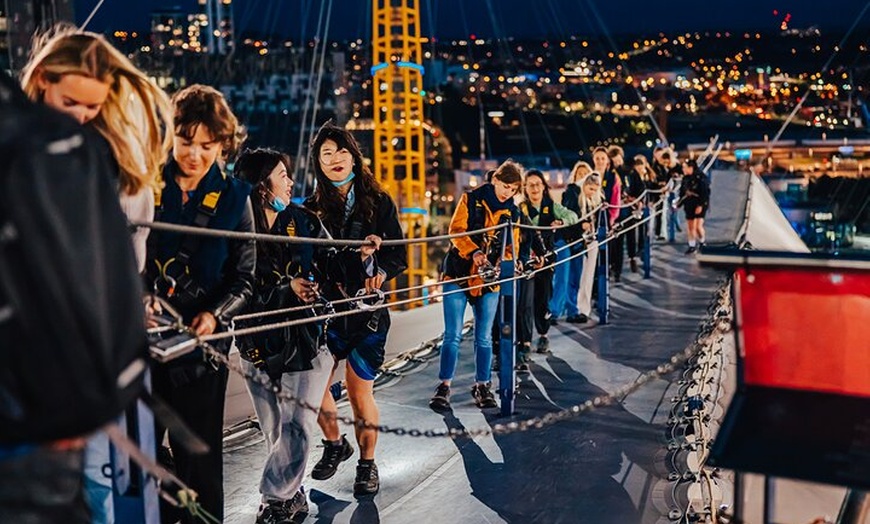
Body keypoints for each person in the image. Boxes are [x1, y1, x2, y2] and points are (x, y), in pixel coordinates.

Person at [20, 27, 173, 523]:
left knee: (90, 480)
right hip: (30, 346)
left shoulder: (105, 158)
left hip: (82, 350)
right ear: (41, 78)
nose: (81, 116)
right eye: (71, 102)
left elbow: (128, 258)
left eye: (92, 107)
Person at [234, 148, 382, 522]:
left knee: (297, 425)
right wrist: (287, 289)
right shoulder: (233, 232)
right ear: (262, 187)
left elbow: (334, 259)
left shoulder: (303, 222)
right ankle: (293, 494)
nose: (291, 181)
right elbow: (237, 289)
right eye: (282, 175)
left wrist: (363, 257)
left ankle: (275, 498)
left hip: (306, 341)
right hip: (256, 344)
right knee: (274, 430)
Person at [146, 84, 255, 523]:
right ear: (171, 137)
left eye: (207, 145)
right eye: (186, 141)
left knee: (201, 464)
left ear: (223, 144)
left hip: (200, 349)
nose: (194, 154)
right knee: (138, 456)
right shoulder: (145, 185)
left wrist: (215, 314)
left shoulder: (235, 199)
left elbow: (244, 278)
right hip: (144, 342)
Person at [304, 122, 407, 498]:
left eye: (341, 151)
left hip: (369, 312)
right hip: (329, 312)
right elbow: (310, 258)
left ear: (353, 156)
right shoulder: (311, 208)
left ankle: (367, 464)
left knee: (359, 390)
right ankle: (335, 443)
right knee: (312, 386)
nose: (335, 159)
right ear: (317, 161)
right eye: (326, 153)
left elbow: (399, 255)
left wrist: (379, 272)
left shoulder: (379, 202)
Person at [429, 160, 523, 412]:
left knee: (483, 338)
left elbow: (511, 247)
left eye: (513, 189)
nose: (508, 193)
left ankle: (482, 385)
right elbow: (456, 230)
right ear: (495, 180)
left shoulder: (513, 213)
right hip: (458, 274)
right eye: (505, 186)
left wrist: (507, 262)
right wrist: (474, 252)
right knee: (453, 336)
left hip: (488, 280)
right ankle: (444, 386)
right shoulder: (470, 199)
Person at [518, 170, 577, 353]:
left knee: (543, 298)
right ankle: (525, 341)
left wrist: (560, 221)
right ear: (525, 188)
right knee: (525, 303)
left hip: (546, 261)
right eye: (531, 184)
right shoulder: (521, 209)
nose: (535, 188)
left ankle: (543, 335)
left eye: (538, 184)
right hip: (527, 262)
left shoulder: (551, 206)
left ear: (544, 186)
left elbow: (573, 216)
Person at [550, 161, 591, 324]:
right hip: (564, 240)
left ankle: (572, 310)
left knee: (574, 277)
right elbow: (570, 214)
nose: (581, 177)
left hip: (579, 241)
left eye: (584, 174)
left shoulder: (592, 196)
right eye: (579, 174)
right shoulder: (571, 191)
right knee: (561, 277)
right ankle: (554, 311)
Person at [574, 173, 605, 323]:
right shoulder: (577, 197)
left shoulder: (599, 200)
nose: (591, 192)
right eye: (590, 188)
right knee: (580, 274)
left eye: (594, 189)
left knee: (589, 274)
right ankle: (578, 307)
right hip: (580, 239)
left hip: (592, 241)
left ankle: (584, 308)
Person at [678, 159, 710, 254]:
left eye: (685, 167)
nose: (683, 169)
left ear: (690, 167)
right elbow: (682, 192)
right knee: (690, 226)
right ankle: (692, 245)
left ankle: (702, 242)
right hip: (689, 203)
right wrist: (679, 204)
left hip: (699, 203)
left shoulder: (700, 177)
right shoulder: (685, 178)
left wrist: (700, 205)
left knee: (698, 226)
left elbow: (705, 193)